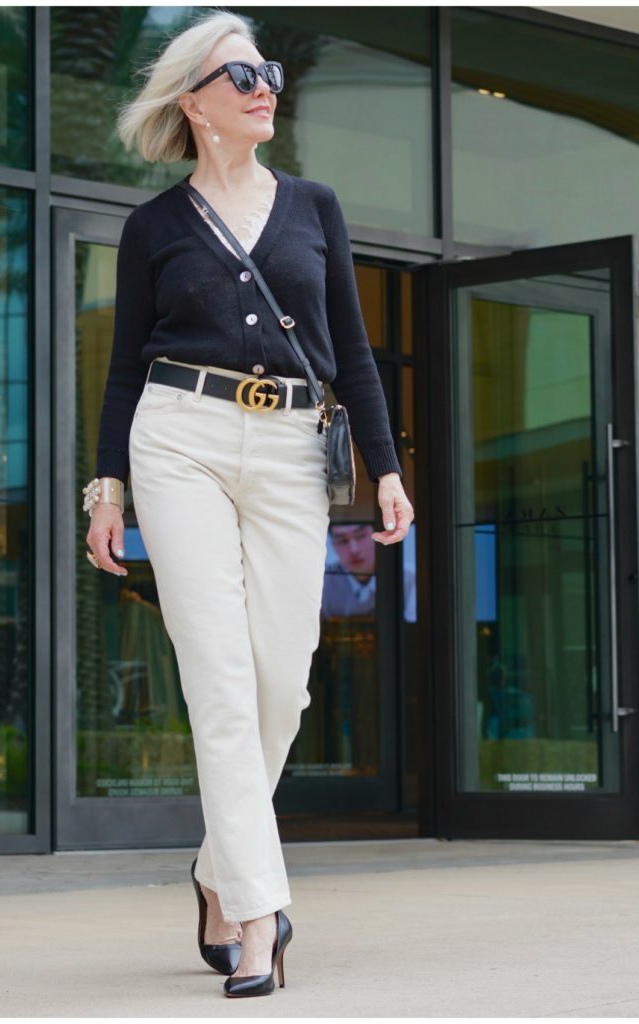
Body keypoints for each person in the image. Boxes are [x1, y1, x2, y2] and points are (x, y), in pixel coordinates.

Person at [82, 10, 414, 998]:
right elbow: (118, 373)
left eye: (269, 70)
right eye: (240, 75)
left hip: (291, 446)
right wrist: (108, 488)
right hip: (177, 438)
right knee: (219, 678)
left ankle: (214, 864)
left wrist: (386, 466)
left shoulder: (313, 205)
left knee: (283, 682)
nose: (265, 85)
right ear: (193, 102)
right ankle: (260, 915)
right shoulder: (153, 227)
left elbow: (351, 349)